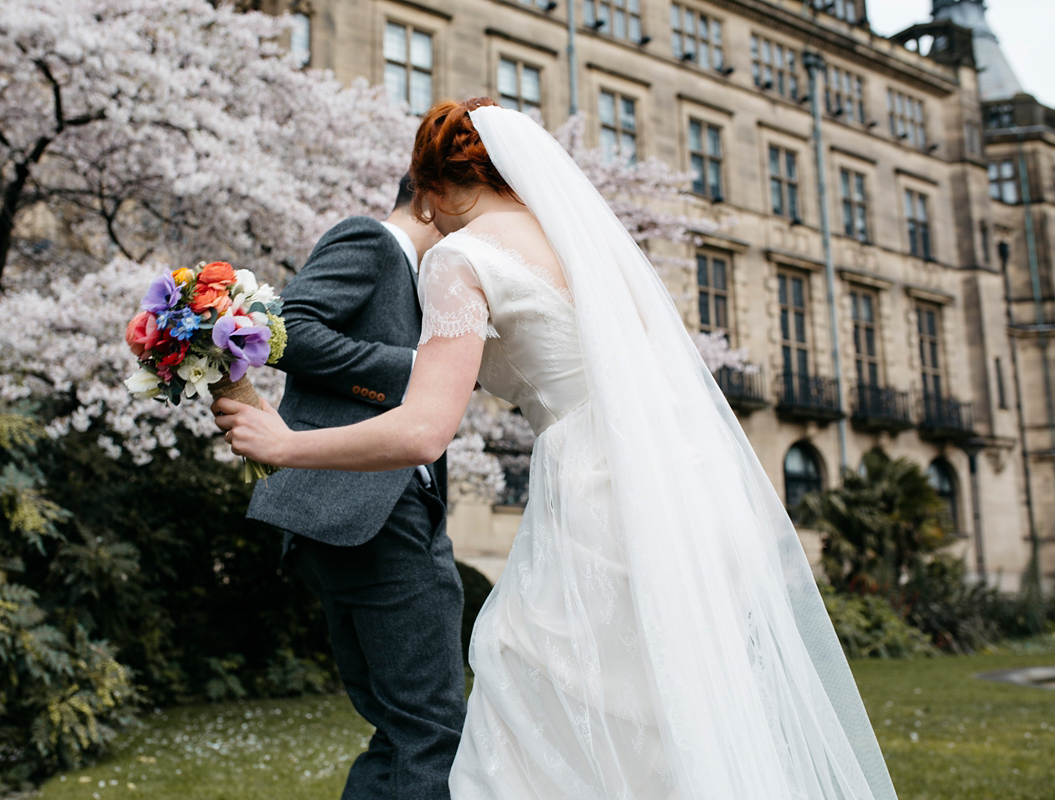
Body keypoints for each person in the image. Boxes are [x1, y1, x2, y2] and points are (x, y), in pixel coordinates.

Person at [216, 99, 899, 800]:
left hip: (599, 491)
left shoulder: (460, 256)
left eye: (432, 203)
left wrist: (286, 444)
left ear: (446, 185)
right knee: (667, 713)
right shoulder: (584, 248)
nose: (434, 221)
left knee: (533, 693)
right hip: (684, 486)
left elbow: (425, 429)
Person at [238, 176, 464, 800]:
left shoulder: (425, 284)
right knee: (432, 732)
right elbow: (285, 329)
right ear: (429, 199)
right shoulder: (371, 240)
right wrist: (414, 373)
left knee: (402, 732)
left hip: (361, 513)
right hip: (371, 513)